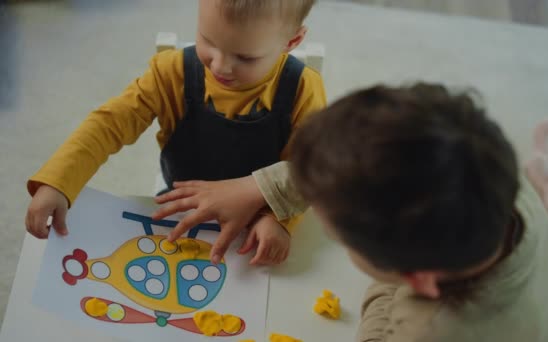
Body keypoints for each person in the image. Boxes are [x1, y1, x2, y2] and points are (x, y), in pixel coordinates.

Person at [25, 0, 325, 266]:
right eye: (208, 40)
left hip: (260, 214)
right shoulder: (171, 72)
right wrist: (59, 182)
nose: (220, 66)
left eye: (245, 57)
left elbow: (313, 169)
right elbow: (108, 124)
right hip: (180, 207)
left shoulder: (302, 88)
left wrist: (279, 219)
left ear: (292, 40)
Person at [287, 83, 548, 341]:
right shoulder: (491, 173)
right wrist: (265, 188)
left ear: (417, 280)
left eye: (336, 237)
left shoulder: (428, 332)